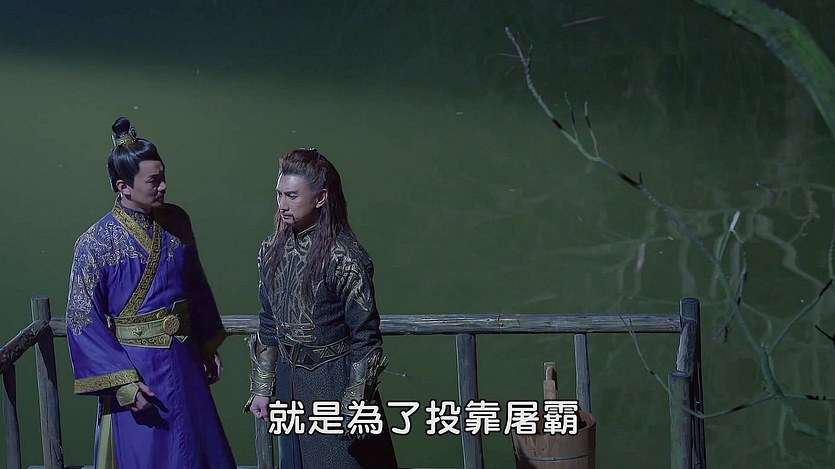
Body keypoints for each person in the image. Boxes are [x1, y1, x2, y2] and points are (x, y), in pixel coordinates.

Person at [65, 117, 236, 468]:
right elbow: (82, 320)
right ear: (123, 186)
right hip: (139, 370)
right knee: (149, 453)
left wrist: (206, 347)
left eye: (163, 176)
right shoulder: (95, 243)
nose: (163, 186)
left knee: (199, 451)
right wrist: (123, 385)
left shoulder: (177, 222)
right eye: (153, 181)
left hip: (185, 360)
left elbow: (195, 285)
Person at [245, 148, 398, 468]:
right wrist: (262, 387)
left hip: (334, 381)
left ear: (321, 197)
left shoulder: (344, 257)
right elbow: (268, 322)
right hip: (289, 380)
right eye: (279, 194)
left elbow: (365, 336)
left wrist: (355, 404)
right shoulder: (270, 249)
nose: (282, 204)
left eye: (292, 196)